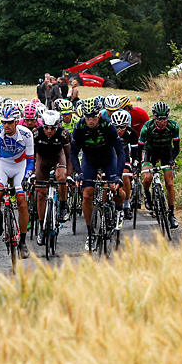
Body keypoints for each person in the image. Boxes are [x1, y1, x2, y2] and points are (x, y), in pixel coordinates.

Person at [70, 98, 126, 250]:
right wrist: (79, 172)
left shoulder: (108, 125)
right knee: (87, 194)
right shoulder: (80, 126)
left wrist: (118, 176)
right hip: (90, 160)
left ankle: (119, 210)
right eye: (87, 117)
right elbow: (73, 153)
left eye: (93, 117)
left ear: (99, 115)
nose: (90, 120)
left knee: (114, 188)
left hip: (108, 158)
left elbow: (120, 152)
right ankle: (90, 233)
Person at [0, 105, 35, 259]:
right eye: (4, 122)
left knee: (22, 203)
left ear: (16, 121)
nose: (6, 125)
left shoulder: (26, 134)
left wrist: (26, 178)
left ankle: (23, 241)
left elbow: (31, 161)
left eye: (10, 122)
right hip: (2, 164)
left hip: (20, 166)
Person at [138, 102, 180, 229]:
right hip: (150, 152)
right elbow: (139, 149)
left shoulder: (173, 126)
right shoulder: (147, 127)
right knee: (147, 178)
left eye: (164, 119)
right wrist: (137, 164)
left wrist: (172, 160)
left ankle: (171, 214)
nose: (162, 122)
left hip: (166, 153)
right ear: (154, 117)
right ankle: (147, 194)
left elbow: (176, 147)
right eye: (159, 120)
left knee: (170, 184)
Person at [33, 108, 72, 244]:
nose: (49, 131)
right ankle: (42, 227)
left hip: (57, 158)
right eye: (46, 128)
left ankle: (63, 204)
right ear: (42, 125)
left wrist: (69, 175)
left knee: (61, 177)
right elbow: (30, 155)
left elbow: (69, 156)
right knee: (40, 194)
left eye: (53, 128)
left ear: (58, 126)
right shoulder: (36, 133)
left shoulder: (63, 134)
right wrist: (31, 173)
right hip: (42, 160)